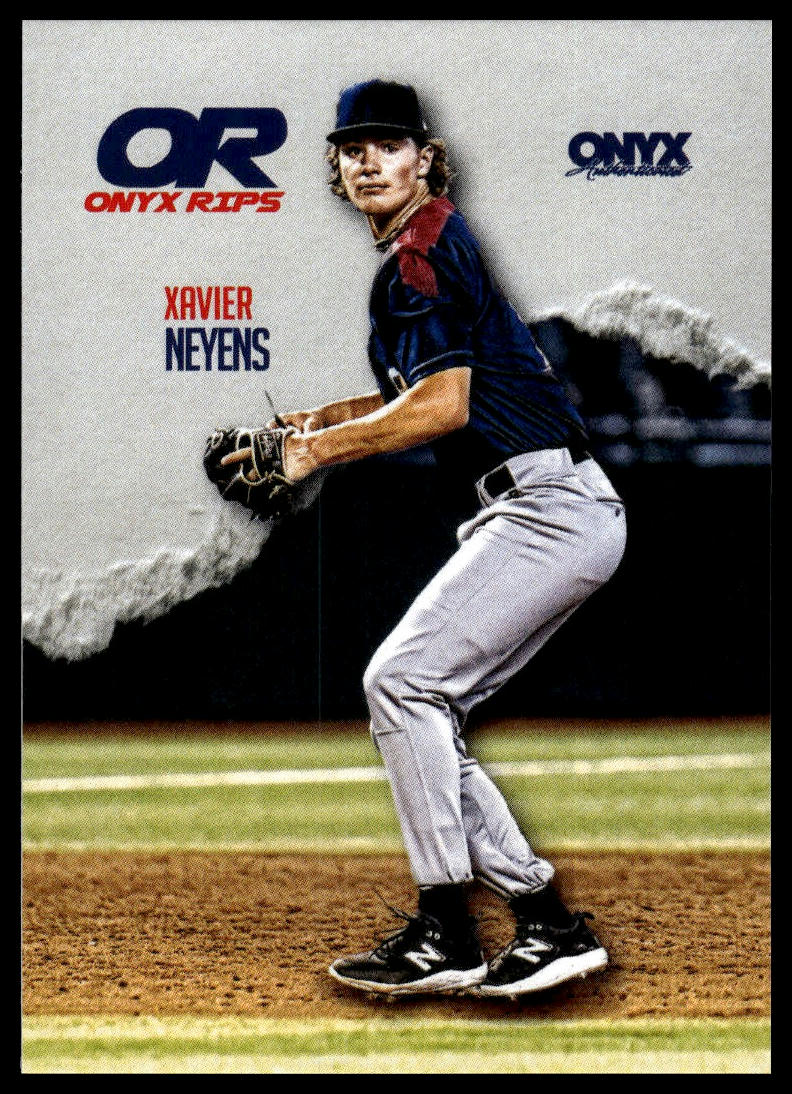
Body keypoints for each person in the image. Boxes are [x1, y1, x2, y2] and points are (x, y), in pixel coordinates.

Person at [275, 80, 627, 997]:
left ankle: (447, 930)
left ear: (425, 159)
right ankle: (545, 922)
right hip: (551, 506)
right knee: (425, 705)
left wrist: (313, 452)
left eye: (388, 145)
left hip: (547, 507)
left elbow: (441, 407)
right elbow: (417, 391)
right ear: (335, 166)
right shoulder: (429, 246)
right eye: (352, 148)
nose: (367, 162)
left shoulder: (420, 257)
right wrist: (316, 420)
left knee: (401, 683)